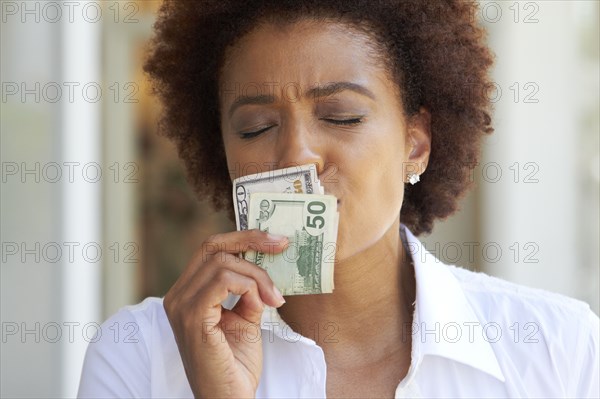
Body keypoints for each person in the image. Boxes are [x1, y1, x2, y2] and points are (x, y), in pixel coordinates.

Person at [78, 1, 599, 398]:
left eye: (342, 117)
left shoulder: (558, 348)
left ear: (415, 144)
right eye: (256, 127)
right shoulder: (141, 355)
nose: (297, 156)